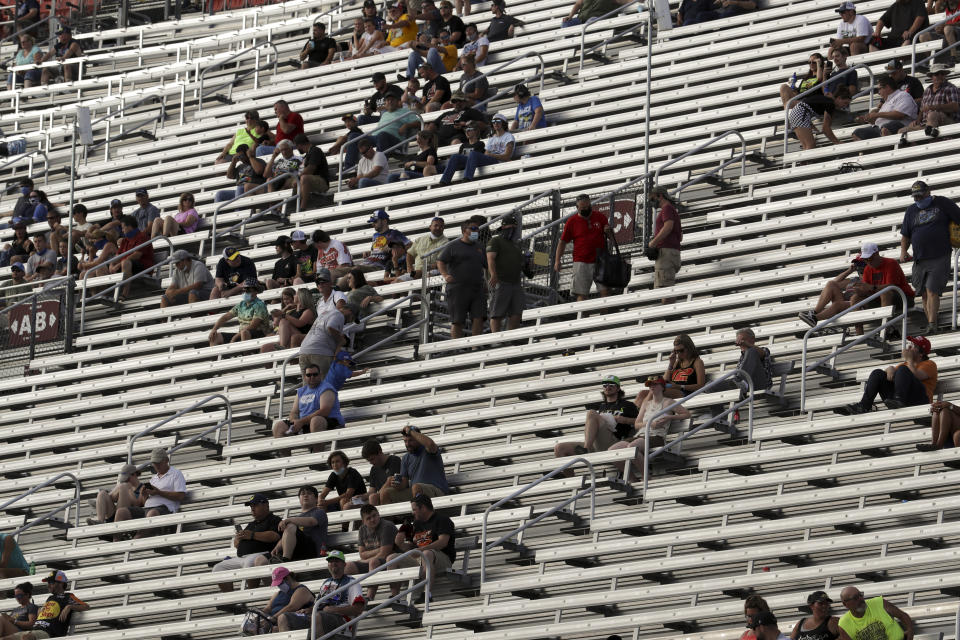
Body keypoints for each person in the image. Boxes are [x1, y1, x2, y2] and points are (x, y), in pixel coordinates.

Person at [900, 180, 960, 332]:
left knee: (932, 290)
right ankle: (930, 324)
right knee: (924, 294)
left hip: (939, 255)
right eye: (915, 197)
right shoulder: (911, 211)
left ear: (928, 192)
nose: (918, 199)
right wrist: (903, 251)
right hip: (920, 258)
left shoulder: (942, 203)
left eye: (920, 195)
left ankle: (932, 324)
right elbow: (905, 235)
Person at [609, 376, 691, 479]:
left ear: (662, 387)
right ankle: (632, 479)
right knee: (612, 451)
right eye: (650, 385)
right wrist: (649, 423)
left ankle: (646, 477)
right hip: (641, 435)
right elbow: (637, 424)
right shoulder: (646, 403)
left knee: (632, 447)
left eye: (655, 384)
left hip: (656, 437)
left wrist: (670, 417)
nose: (652, 387)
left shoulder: (669, 402)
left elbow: (686, 414)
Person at [836, 335, 936, 415]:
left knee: (902, 369)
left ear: (921, 354)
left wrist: (908, 359)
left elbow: (917, 376)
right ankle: (864, 405)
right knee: (878, 373)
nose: (909, 347)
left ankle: (899, 400)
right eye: (910, 344)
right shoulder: (904, 365)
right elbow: (890, 375)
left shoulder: (929, 364)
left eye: (913, 346)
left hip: (920, 401)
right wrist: (890, 369)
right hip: (904, 398)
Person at [554, 374, 639, 464]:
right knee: (559, 448)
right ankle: (570, 477)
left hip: (614, 441)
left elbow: (640, 421)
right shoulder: (602, 406)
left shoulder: (628, 405)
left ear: (618, 388)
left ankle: (586, 449)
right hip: (597, 443)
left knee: (591, 413)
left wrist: (624, 420)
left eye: (611, 385)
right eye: (605, 385)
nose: (607, 387)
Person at [387, 493, 456, 599]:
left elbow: (443, 542)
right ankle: (395, 596)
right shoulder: (416, 523)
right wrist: (400, 541)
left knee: (427, 553)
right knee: (391, 558)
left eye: (414, 509)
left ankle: (427, 594)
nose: (412, 512)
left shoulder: (442, 519)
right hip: (421, 557)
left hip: (443, 558)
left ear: (423, 508)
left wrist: (422, 550)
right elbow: (410, 547)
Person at [843, 241, 915, 336]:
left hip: (904, 298)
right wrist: (860, 291)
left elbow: (892, 286)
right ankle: (859, 335)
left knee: (885, 293)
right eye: (865, 260)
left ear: (877, 253)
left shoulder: (891, 263)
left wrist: (871, 287)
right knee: (855, 298)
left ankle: (886, 330)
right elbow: (868, 290)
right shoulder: (868, 269)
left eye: (870, 258)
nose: (868, 262)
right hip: (884, 298)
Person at [212, 494, 282, 592]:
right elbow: (237, 545)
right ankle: (230, 598)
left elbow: (275, 536)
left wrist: (252, 535)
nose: (252, 508)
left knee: (249, 563)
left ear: (266, 505)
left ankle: (250, 594)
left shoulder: (274, 519)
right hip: (242, 556)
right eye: (251, 506)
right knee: (218, 568)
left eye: (255, 505)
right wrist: (238, 539)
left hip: (263, 554)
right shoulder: (251, 524)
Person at [113, 448, 186, 540]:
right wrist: (144, 495)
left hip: (165, 509)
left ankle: (135, 540)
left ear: (166, 460)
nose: (156, 465)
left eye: (159, 462)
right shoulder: (153, 478)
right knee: (121, 512)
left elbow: (181, 496)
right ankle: (116, 541)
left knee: (152, 513)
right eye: (154, 463)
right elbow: (144, 502)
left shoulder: (176, 474)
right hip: (147, 509)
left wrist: (159, 492)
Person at [555, 194, 612, 302]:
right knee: (581, 295)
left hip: (600, 260)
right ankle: (583, 318)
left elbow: (612, 238)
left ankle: (605, 316)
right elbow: (562, 242)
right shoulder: (571, 222)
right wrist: (557, 260)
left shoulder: (600, 217)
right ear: (577, 208)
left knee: (605, 292)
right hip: (581, 261)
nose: (586, 209)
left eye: (588, 207)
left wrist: (609, 231)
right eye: (583, 208)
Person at [437, 219, 487, 339]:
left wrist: (487, 281)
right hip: (458, 288)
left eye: (477, 229)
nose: (476, 231)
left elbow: (487, 265)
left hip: (477, 288)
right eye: (473, 229)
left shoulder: (480, 247)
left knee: (479, 317)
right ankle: (456, 348)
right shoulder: (453, 246)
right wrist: (445, 275)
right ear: (465, 231)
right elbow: (440, 261)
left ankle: (475, 346)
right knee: (458, 321)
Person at [6, 570, 90, 639]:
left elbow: (86, 606)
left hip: (49, 633)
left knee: (26, 638)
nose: (48, 585)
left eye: (51, 582)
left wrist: (69, 606)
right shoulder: (50, 598)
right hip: (35, 629)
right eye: (48, 582)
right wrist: (40, 611)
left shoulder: (68, 596)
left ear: (61, 583)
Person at [438, 112, 515, 185]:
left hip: (498, 161)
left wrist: (491, 155)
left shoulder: (508, 136)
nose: (495, 123)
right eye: (494, 121)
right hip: (490, 159)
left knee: (473, 154)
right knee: (455, 156)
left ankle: (467, 178)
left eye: (498, 121)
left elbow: (507, 156)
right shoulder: (492, 138)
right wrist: (489, 155)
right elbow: (486, 153)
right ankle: (444, 181)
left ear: (504, 123)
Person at [380, 425, 449, 504]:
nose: (408, 444)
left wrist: (411, 431)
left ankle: (418, 514)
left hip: (437, 491)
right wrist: (396, 484)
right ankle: (391, 516)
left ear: (418, 439)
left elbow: (430, 444)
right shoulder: (406, 458)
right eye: (405, 441)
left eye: (411, 440)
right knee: (385, 493)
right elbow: (404, 483)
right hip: (416, 492)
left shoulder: (428, 450)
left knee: (416, 487)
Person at [303, 550, 365, 636]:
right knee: (286, 618)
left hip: (342, 621)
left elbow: (358, 609)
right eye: (331, 561)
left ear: (344, 564)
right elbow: (318, 605)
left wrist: (333, 610)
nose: (333, 563)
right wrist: (308, 610)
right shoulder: (326, 583)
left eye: (337, 561)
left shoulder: (352, 582)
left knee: (316, 617)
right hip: (321, 616)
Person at [798, 253, 869, 327]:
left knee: (838, 304)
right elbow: (835, 282)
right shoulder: (854, 279)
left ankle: (815, 318)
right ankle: (814, 312)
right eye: (856, 263)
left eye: (860, 263)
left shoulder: (869, 280)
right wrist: (850, 270)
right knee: (831, 284)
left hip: (856, 305)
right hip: (844, 304)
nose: (857, 266)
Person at [262, 486, 328, 564]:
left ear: (316, 499)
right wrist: (277, 547)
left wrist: (288, 520)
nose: (305, 495)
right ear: (299, 499)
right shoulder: (296, 519)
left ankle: (285, 560)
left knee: (290, 526)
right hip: (297, 550)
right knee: (261, 560)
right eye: (302, 494)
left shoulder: (319, 512)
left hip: (312, 551)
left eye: (309, 493)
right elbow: (287, 535)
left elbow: (311, 522)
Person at [345, 504, 397, 600]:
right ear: (363, 521)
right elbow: (362, 554)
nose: (373, 519)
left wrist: (366, 558)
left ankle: (369, 598)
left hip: (390, 561)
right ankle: (349, 599)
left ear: (378, 514)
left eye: (374, 515)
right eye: (368, 518)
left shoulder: (387, 526)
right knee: (348, 566)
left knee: (373, 562)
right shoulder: (362, 529)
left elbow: (384, 553)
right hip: (373, 562)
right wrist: (377, 550)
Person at [297, 275, 345, 377]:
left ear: (330, 283)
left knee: (308, 388)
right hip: (320, 350)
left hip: (305, 349)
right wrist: (340, 341)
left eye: (323, 282)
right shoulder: (322, 304)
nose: (320, 285)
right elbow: (330, 327)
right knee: (322, 385)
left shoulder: (337, 296)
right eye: (318, 283)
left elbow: (331, 322)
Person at [486, 214, 524, 332]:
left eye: (514, 227)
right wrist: (493, 274)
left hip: (515, 282)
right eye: (509, 227)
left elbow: (521, 263)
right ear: (503, 227)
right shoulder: (496, 240)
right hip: (501, 281)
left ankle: (510, 338)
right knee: (497, 313)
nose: (512, 230)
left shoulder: (515, 244)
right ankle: (496, 340)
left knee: (516, 313)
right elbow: (490, 258)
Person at [251, 567, 315, 634]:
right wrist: (258, 617)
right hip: (275, 622)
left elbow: (291, 607)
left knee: (281, 620)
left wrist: (272, 619)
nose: (279, 586)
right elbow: (267, 608)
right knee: (254, 625)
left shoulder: (301, 590)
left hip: (292, 620)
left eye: (280, 583)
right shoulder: (277, 594)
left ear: (288, 578)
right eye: (277, 585)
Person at [851, 75, 918, 139]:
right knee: (857, 133)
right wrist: (870, 118)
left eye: (879, 89)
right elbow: (879, 119)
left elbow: (900, 114)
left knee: (886, 128)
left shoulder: (903, 95)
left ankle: (889, 149)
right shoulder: (886, 102)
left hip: (900, 125)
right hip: (879, 128)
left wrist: (877, 114)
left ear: (887, 87)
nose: (878, 93)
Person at [209, 278, 270, 346]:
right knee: (215, 337)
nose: (245, 292)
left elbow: (253, 326)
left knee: (245, 332)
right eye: (244, 290)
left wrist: (235, 338)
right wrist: (214, 329)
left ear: (256, 292)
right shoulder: (241, 304)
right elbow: (225, 317)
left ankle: (245, 355)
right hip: (242, 334)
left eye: (248, 290)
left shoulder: (259, 305)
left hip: (259, 334)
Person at [788, 87, 853, 150]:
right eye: (845, 103)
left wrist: (814, 128)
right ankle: (806, 161)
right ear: (839, 98)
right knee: (810, 145)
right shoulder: (830, 104)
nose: (845, 106)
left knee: (806, 146)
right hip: (800, 113)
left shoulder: (826, 101)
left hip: (795, 113)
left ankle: (805, 161)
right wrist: (837, 142)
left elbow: (807, 110)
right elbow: (826, 129)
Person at [837, 586, 913, 640]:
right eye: (855, 597)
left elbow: (903, 616)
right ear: (845, 604)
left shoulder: (878, 603)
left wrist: (910, 634)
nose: (861, 599)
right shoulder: (844, 624)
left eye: (861, 595)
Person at [648, 185, 683, 302]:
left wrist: (653, 242)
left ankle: (670, 317)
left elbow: (668, 227)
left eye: (653, 199)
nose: (652, 202)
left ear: (660, 196)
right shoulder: (673, 210)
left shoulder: (667, 209)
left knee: (665, 290)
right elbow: (680, 236)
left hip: (666, 253)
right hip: (672, 252)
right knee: (667, 288)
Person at [904, 67, 959, 133]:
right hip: (926, 124)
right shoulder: (927, 90)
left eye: (942, 74)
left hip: (948, 122)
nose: (940, 76)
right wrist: (917, 121)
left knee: (933, 115)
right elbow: (922, 110)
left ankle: (932, 138)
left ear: (945, 75)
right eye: (936, 74)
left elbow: (955, 106)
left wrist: (933, 107)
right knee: (902, 131)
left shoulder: (950, 88)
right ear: (931, 77)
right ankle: (927, 133)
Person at [113, 215, 155, 301]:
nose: (122, 230)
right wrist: (111, 265)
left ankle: (125, 293)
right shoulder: (125, 240)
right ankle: (102, 296)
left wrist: (120, 263)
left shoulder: (143, 236)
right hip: (126, 265)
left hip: (142, 266)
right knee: (101, 268)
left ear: (129, 227)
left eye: (123, 227)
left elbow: (137, 255)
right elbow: (117, 256)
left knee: (126, 262)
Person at [294, 133, 331, 210]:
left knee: (304, 178)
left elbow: (311, 168)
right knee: (289, 183)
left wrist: (297, 178)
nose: (297, 148)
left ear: (300, 144)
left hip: (321, 181)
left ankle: (302, 208)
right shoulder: (307, 154)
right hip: (311, 180)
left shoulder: (315, 150)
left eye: (296, 146)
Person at [734, 328, 774, 396]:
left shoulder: (762, 350)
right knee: (712, 386)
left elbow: (762, 353)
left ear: (752, 339)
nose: (741, 343)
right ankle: (740, 383)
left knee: (751, 351)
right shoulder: (742, 358)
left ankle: (742, 382)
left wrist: (747, 344)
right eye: (739, 340)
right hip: (745, 385)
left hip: (760, 384)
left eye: (743, 340)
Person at [360, 440, 402, 506]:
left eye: (372, 459)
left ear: (380, 452)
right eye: (369, 461)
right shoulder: (374, 469)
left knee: (373, 497)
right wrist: (362, 497)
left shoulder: (394, 460)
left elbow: (392, 482)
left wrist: (377, 494)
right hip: (380, 497)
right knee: (348, 505)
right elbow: (371, 491)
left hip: (395, 494)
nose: (371, 462)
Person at [563, 0, 631, 27]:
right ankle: (567, 46)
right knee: (566, 23)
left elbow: (624, 1)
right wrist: (570, 16)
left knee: (591, 21)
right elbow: (578, 4)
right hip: (581, 19)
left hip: (597, 19)